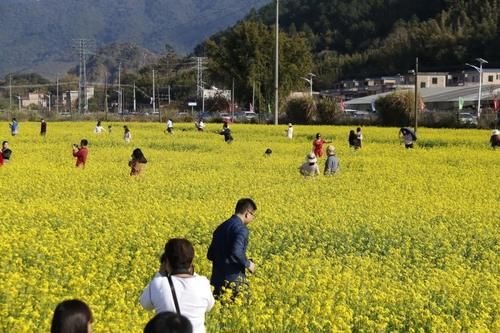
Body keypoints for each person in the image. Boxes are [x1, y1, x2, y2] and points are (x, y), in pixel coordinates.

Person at [140, 238, 214, 333]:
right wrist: (192, 272)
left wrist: (160, 273)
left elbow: (145, 304)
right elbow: (209, 307)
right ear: (191, 262)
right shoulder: (203, 283)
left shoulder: (158, 283)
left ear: (167, 261)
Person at [207, 198, 257, 298]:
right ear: (247, 213)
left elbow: (210, 255)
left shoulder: (221, 227)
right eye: (253, 215)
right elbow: (236, 251)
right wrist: (248, 264)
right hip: (234, 282)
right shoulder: (241, 229)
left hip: (216, 281)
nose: (253, 218)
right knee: (243, 307)